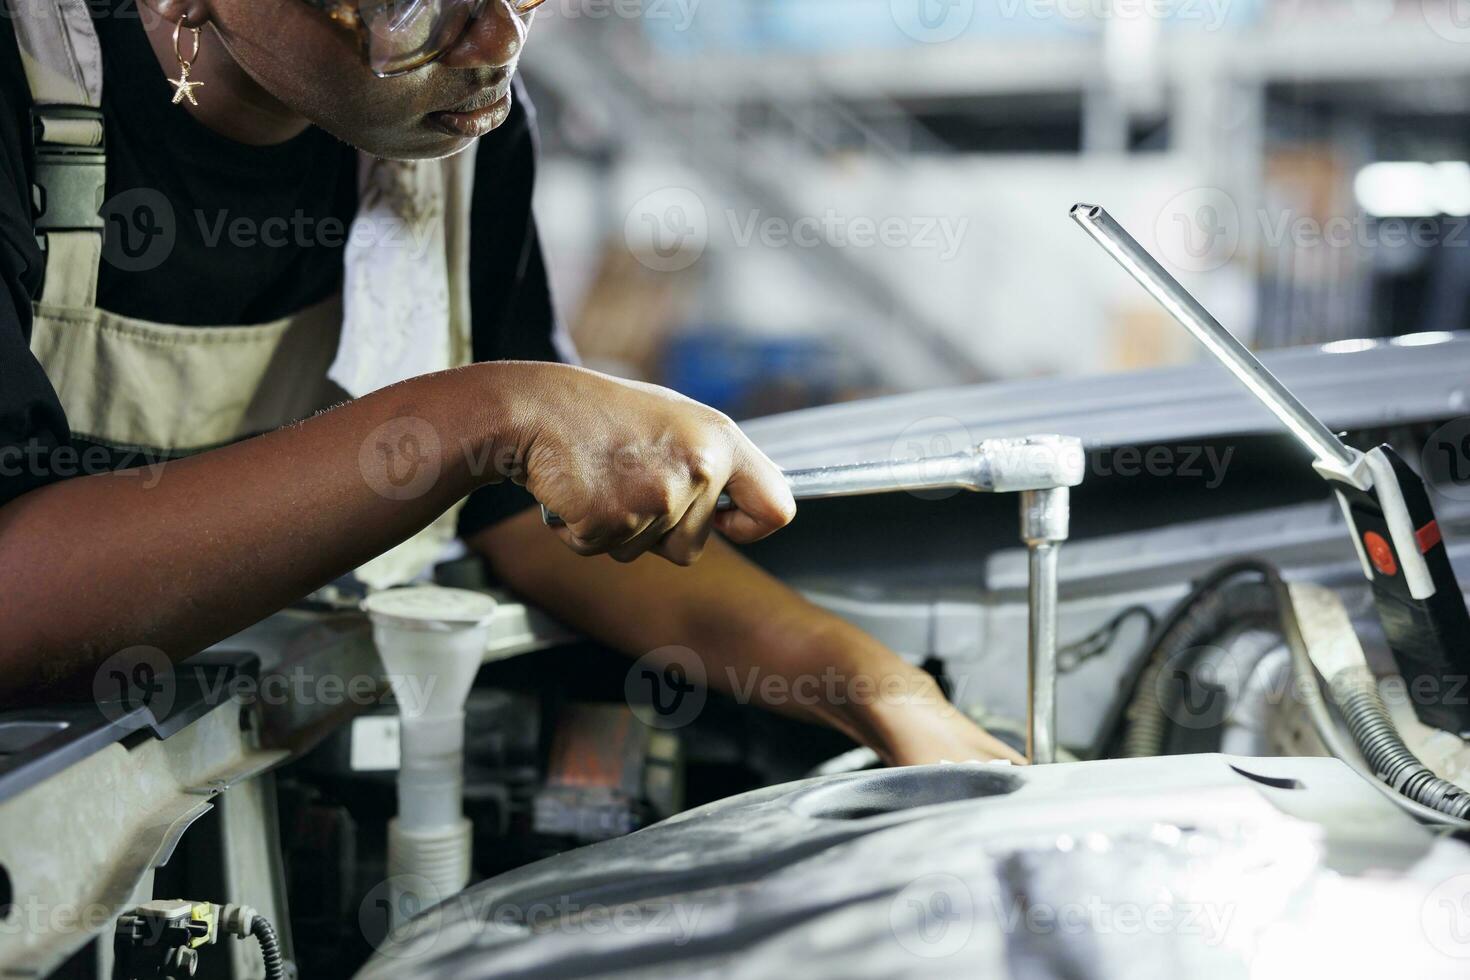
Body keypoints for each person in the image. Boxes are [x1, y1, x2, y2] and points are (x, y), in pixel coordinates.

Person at [0, 0, 1022, 766]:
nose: (494, 45)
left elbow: (523, 521)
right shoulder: (20, 87)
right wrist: (483, 413)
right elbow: (18, 603)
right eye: (414, 6)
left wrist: (869, 686)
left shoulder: (459, 141)